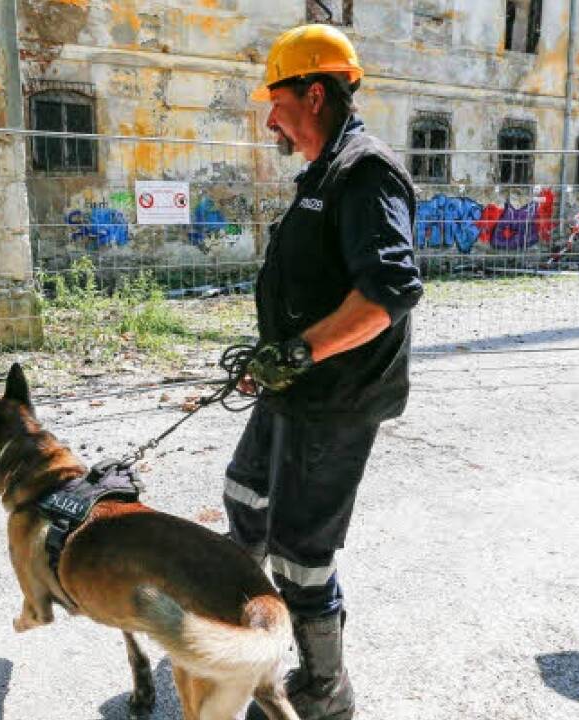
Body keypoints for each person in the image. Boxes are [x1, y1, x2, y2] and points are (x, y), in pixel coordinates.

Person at [226, 25, 423, 720]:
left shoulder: (364, 170)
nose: (269, 118)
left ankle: (324, 688)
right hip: (293, 385)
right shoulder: (323, 172)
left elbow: (390, 292)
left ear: (315, 92)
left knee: (301, 555)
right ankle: (243, 619)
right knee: (244, 497)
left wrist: (301, 351)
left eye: (276, 101)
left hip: (335, 398)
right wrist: (276, 354)